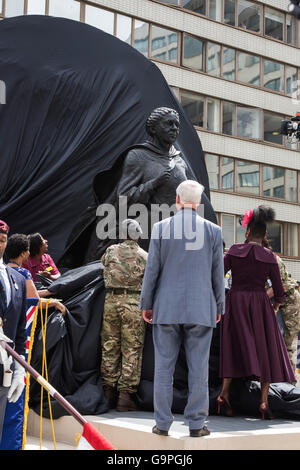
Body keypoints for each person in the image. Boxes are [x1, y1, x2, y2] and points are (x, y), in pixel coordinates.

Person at [140, 180, 225, 437]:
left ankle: (162, 424)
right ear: (198, 203)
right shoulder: (213, 230)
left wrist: (147, 303)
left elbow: (152, 270)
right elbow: (217, 275)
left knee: (163, 367)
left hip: (166, 307)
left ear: (177, 200)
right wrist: (219, 305)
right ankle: (197, 424)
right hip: (202, 308)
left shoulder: (161, 228)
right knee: (199, 368)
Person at [219, 206, 296, 420]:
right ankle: (263, 400)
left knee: (232, 348)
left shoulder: (234, 250)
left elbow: (218, 274)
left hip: (235, 302)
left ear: (247, 232)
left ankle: (224, 393)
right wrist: (274, 307)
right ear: (264, 236)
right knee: (266, 351)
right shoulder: (270, 256)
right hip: (260, 306)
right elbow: (280, 291)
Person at [100, 219, 148, 412]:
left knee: (109, 345)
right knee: (132, 349)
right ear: (137, 235)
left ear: (122, 234)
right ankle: (125, 396)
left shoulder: (111, 251)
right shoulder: (144, 255)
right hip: (133, 304)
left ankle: (108, 392)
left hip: (111, 302)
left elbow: (104, 264)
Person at [0, 220, 27, 442]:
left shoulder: (17, 279)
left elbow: (19, 331)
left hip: (4, 368)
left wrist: (20, 369)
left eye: (1, 240)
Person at [262, 236, 300, 375]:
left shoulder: (273, 259)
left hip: (289, 302)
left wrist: (261, 298)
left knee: (287, 344)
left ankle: (289, 383)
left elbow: (281, 285)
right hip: (273, 301)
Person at [5, 234, 66, 315]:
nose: (29, 253)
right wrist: (54, 301)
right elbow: (35, 300)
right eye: (27, 250)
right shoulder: (23, 273)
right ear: (23, 253)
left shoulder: (3, 271)